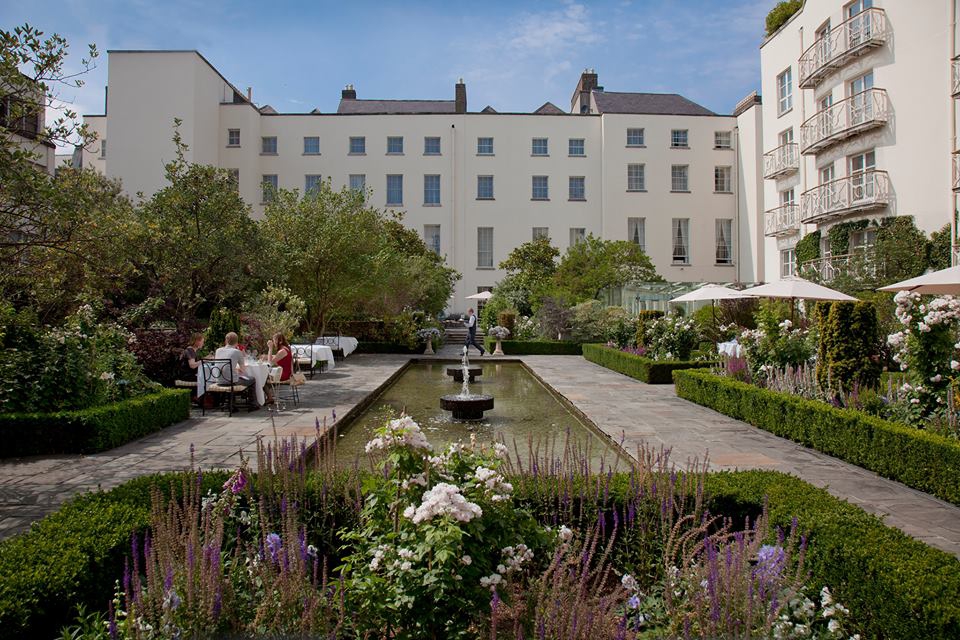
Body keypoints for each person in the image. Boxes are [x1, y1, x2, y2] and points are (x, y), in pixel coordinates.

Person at [214, 331, 258, 406]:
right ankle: (253, 404)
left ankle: (232, 404)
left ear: (226, 341)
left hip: (218, 380)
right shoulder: (237, 352)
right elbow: (243, 370)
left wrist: (234, 369)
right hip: (231, 381)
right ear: (237, 342)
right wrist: (239, 369)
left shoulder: (218, 351)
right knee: (252, 379)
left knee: (233, 375)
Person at [263, 333, 293, 403]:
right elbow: (278, 357)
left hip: (283, 374)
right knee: (264, 378)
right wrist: (267, 356)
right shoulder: (286, 348)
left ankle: (270, 397)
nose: (273, 343)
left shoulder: (282, 351)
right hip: (286, 373)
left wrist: (270, 348)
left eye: (274, 341)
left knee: (261, 378)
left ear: (280, 341)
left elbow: (270, 363)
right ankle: (269, 396)